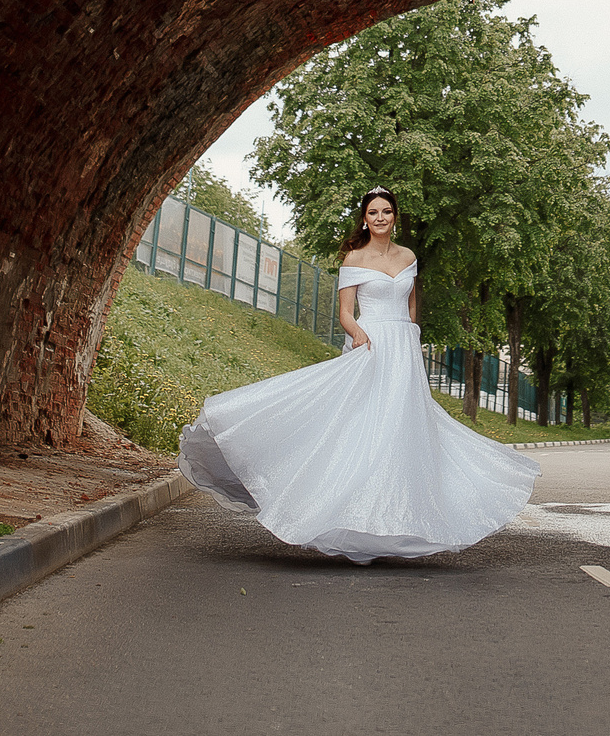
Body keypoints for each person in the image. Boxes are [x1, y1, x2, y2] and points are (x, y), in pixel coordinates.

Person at [176, 187, 539, 563]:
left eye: (386, 211)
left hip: (403, 347)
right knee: (365, 425)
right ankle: (345, 511)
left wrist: (412, 340)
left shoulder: (409, 257)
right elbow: (346, 312)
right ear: (364, 218)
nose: (380, 218)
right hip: (371, 344)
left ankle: (398, 517)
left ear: (395, 216)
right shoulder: (355, 258)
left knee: (404, 428)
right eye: (373, 213)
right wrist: (357, 333)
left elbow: (412, 306)